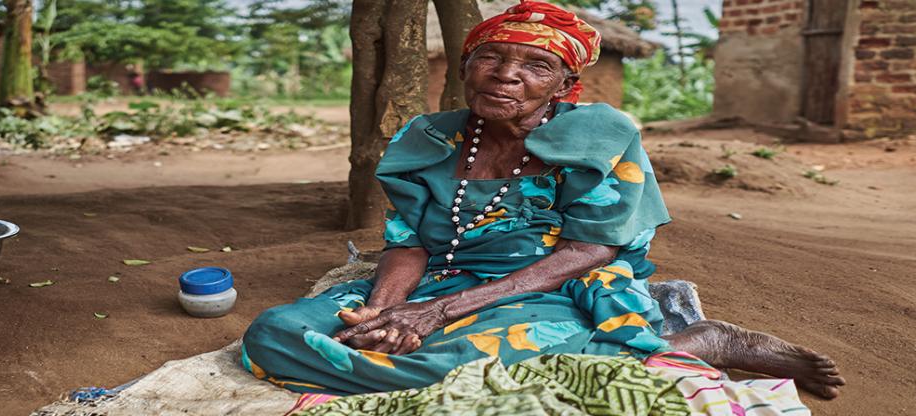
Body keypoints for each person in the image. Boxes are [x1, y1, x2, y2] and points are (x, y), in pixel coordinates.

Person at [241, 0, 845, 400]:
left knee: (462, 370)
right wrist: (382, 311)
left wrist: (436, 316)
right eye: (492, 57)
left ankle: (701, 343)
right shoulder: (427, 137)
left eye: (535, 65)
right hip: (442, 276)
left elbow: (591, 246)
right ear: (467, 65)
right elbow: (410, 243)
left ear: (564, 84)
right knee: (273, 334)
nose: (507, 74)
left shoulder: (598, 136)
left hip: (549, 284)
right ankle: (421, 356)